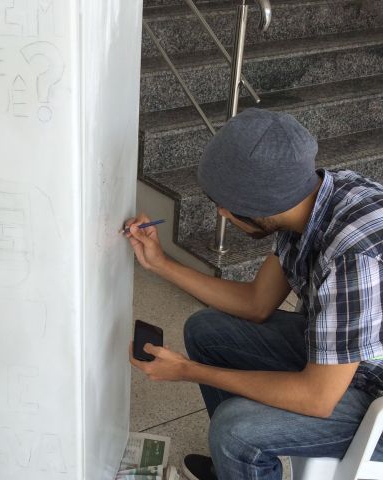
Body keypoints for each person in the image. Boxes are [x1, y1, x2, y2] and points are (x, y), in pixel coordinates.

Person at [125, 108, 383, 480]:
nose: (222, 212)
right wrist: (159, 263)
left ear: (261, 206)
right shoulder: (310, 197)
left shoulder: (351, 257)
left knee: (235, 431)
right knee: (206, 330)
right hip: (350, 360)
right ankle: (236, 469)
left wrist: (187, 371)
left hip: (372, 394)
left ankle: (238, 455)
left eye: (226, 206)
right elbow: (256, 303)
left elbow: (317, 397)